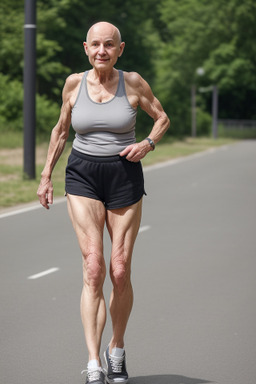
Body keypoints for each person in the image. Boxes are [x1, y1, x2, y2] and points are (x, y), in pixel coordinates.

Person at [37, 21, 170, 384]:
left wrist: (147, 144)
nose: (101, 51)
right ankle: (94, 362)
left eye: (109, 45)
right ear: (85, 47)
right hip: (82, 175)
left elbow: (162, 118)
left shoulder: (133, 82)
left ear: (120, 49)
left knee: (120, 269)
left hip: (124, 175)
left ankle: (117, 349)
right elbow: (62, 130)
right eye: (95, 45)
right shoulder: (74, 84)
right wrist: (47, 174)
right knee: (94, 267)